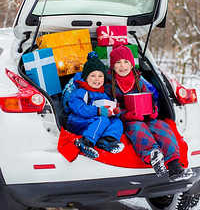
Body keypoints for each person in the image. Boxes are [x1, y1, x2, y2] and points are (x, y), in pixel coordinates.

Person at [104, 44, 193, 182]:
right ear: (113, 66)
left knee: (161, 126)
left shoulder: (139, 81)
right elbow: (110, 108)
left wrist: (152, 111)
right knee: (138, 128)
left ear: (132, 64)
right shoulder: (109, 85)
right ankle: (153, 155)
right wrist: (127, 115)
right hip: (127, 120)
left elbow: (151, 100)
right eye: (118, 62)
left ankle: (174, 164)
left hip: (145, 117)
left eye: (126, 62)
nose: (123, 66)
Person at [67, 51, 124, 159]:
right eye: (92, 75)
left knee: (116, 121)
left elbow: (108, 107)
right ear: (86, 78)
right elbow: (78, 108)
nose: (97, 79)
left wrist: (114, 111)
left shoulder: (103, 93)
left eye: (100, 76)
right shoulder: (82, 92)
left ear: (104, 78)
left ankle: (107, 140)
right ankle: (86, 142)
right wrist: (97, 111)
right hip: (79, 121)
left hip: (94, 121)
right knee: (104, 120)